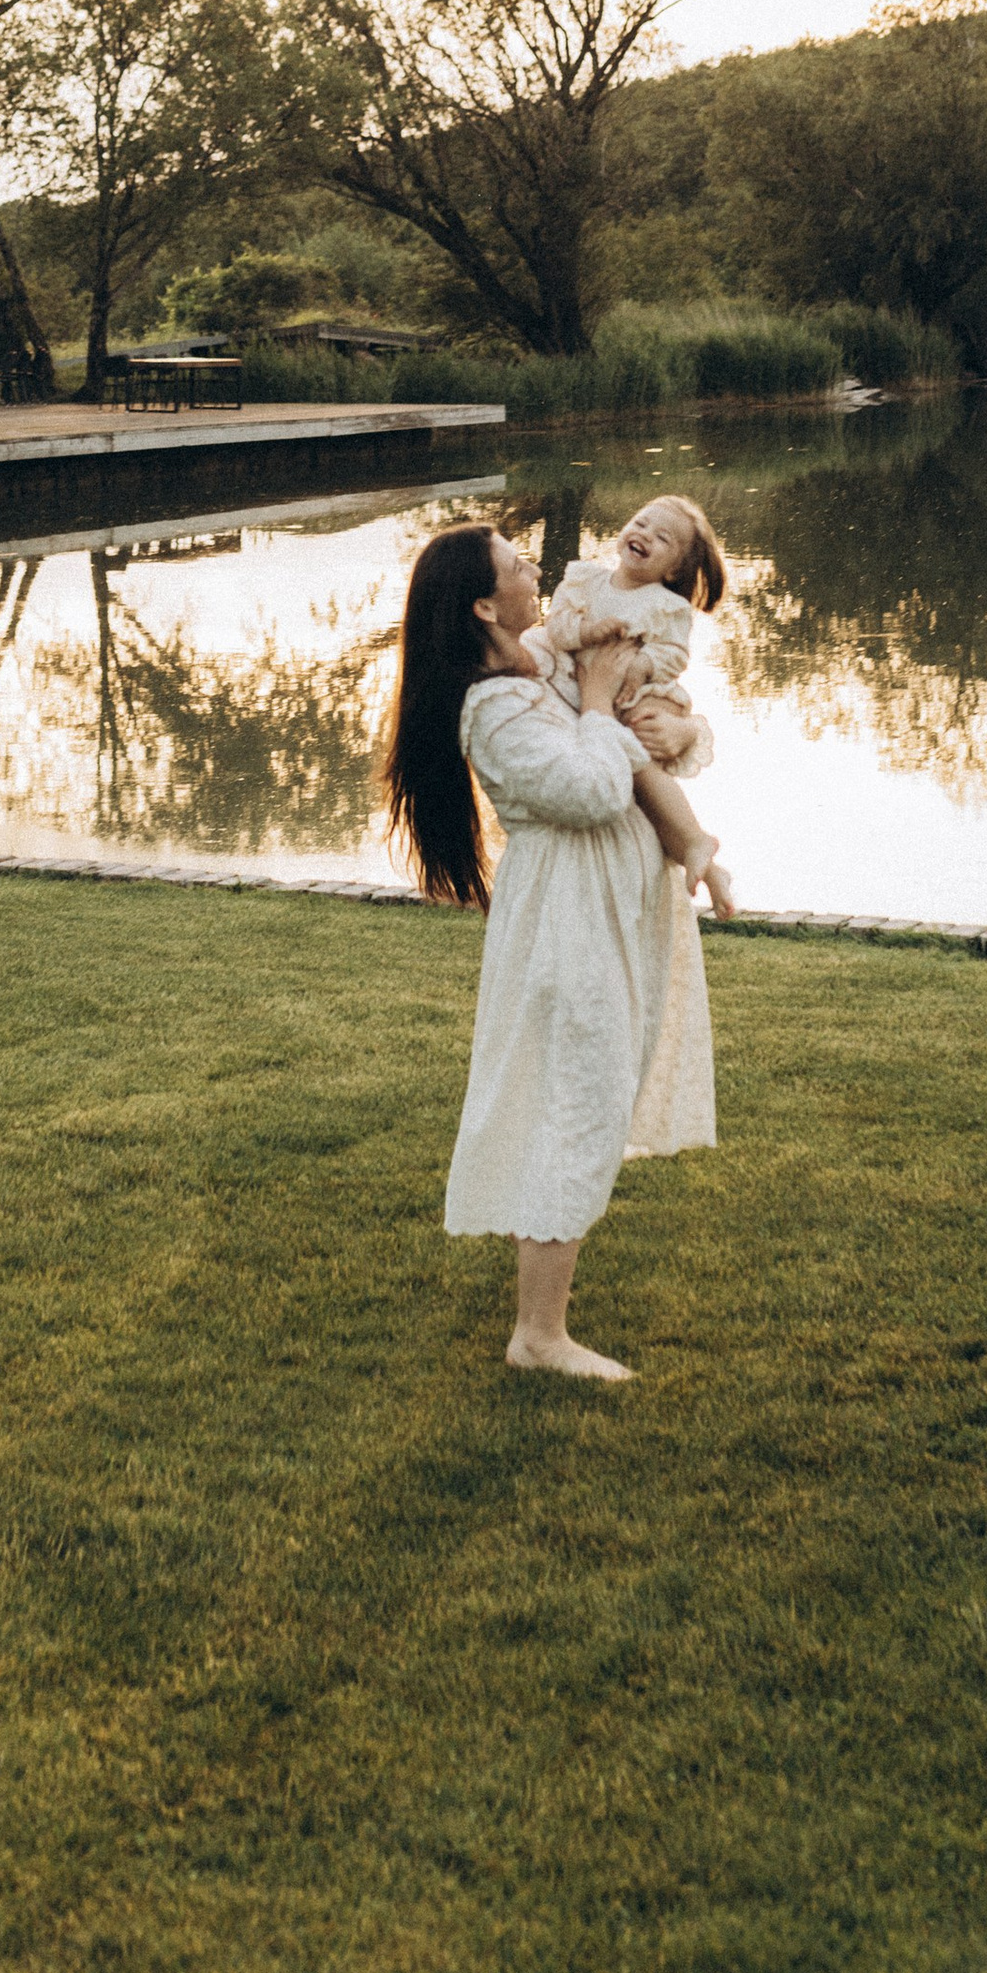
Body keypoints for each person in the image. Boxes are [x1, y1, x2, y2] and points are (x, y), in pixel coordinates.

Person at [378, 520, 718, 1381]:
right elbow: (591, 791)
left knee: (590, 1092)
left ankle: (544, 1315)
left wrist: (683, 734)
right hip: (566, 917)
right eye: (516, 568)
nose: (538, 573)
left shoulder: (532, 665)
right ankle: (540, 1336)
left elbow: (648, 727)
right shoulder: (490, 705)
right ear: (486, 605)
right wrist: (602, 706)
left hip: (598, 906)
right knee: (575, 1096)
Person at [533, 494, 734, 916]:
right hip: (590, 696)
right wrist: (588, 630)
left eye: (662, 537)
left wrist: (644, 663)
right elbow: (557, 626)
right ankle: (705, 862)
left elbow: (675, 656)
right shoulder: (585, 580)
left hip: (635, 698)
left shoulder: (668, 606)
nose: (644, 534)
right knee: (640, 784)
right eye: (641, 523)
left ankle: (696, 844)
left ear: (674, 568)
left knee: (645, 772)